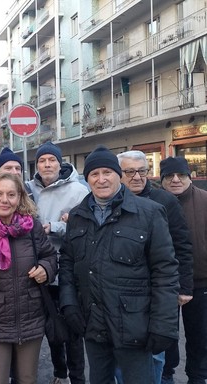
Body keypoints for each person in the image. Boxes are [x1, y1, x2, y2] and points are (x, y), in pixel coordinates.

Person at [59, 145, 179, 384]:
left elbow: (165, 272)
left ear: (118, 175)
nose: (101, 179)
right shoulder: (77, 216)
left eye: (107, 172)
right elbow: (67, 264)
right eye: (94, 174)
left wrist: (163, 325)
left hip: (136, 326)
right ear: (88, 179)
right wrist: (69, 305)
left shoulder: (150, 213)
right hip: (93, 324)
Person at [0, 172, 58, 384]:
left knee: (27, 379)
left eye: (11, 194)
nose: (4, 200)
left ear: (20, 198)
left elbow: (50, 256)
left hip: (31, 317)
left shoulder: (31, 226)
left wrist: (46, 268)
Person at [117, 151, 193, 384]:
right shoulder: (110, 200)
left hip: (158, 288)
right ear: (119, 175)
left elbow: (182, 245)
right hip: (121, 289)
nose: (137, 177)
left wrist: (184, 286)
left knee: (158, 349)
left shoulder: (165, 201)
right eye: (129, 172)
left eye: (142, 171)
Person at [26, 141, 89, 384]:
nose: (47, 164)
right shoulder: (30, 188)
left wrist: (57, 226)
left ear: (60, 162)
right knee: (51, 327)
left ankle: (77, 377)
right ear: (37, 164)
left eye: (52, 160)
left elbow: (86, 225)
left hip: (69, 270)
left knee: (72, 326)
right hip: (41, 269)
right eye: (42, 160)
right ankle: (59, 373)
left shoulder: (78, 190)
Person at [160, 156, 207, 384]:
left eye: (181, 175)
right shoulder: (154, 202)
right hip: (164, 284)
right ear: (162, 180)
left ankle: (197, 378)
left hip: (201, 283)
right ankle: (166, 375)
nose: (176, 180)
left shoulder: (205, 201)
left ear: (190, 176)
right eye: (169, 176)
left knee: (200, 337)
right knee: (166, 337)